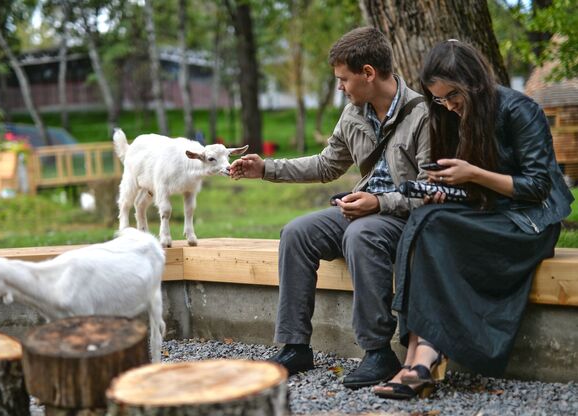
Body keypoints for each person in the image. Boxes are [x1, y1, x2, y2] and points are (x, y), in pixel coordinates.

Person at [229, 27, 430, 388]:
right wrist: (265, 169)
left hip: (404, 218)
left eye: (343, 79)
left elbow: (430, 190)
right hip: (364, 209)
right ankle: (295, 346)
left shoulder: (423, 115)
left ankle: (378, 353)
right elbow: (326, 165)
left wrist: (379, 202)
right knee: (297, 232)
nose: (340, 87)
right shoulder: (354, 113)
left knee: (361, 233)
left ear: (368, 73)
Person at [373, 40, 574, 400]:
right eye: (439, 98)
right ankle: (420, 352)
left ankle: (422, 356)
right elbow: (475, 193)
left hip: (531, 223)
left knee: (431, 225)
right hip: (493, 213)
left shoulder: (518, 109)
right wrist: (446, 189)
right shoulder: (450, 115)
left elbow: (538, 186)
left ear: (474, 82)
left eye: (453, 95)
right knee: (425, 217)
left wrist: (473, 174)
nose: (448, 105)